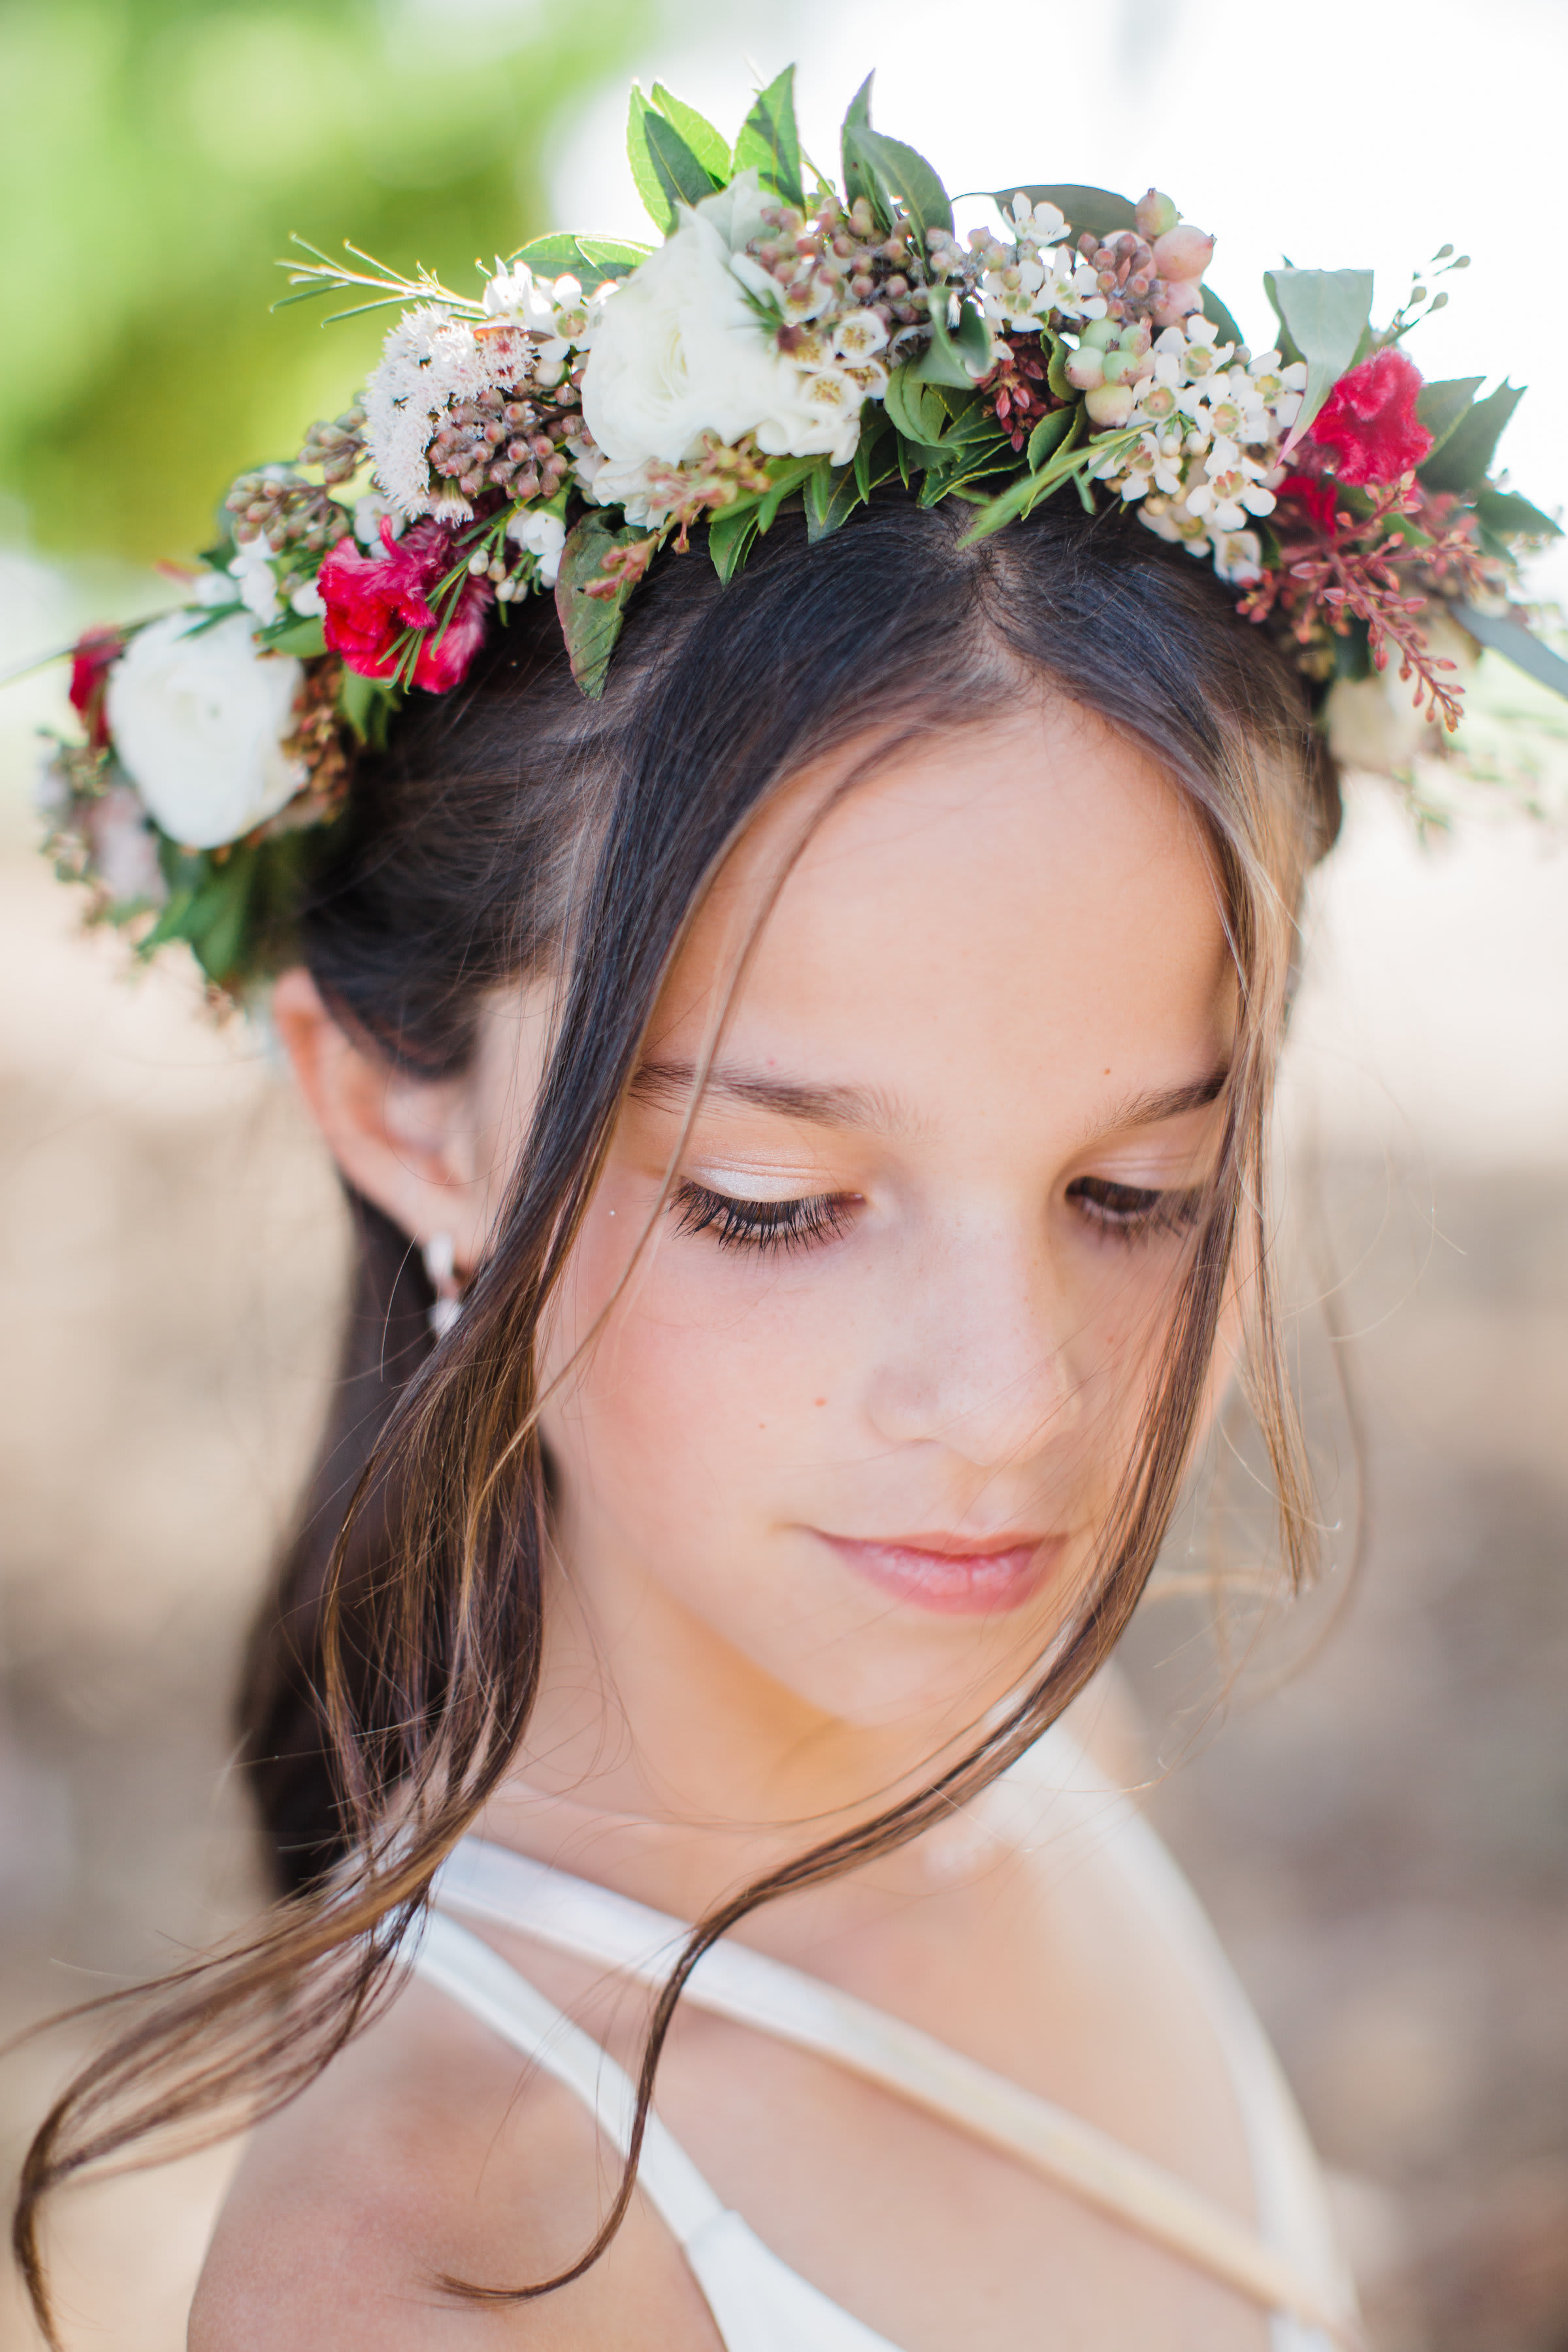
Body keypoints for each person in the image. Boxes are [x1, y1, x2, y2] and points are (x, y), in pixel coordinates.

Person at [22, 71, 1561, 2352]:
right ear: (400, 1110)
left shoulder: (1023, 1749)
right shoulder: (443, 2263)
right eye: (772, 1201)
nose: (1012, 1406)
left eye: (1139, 1188)